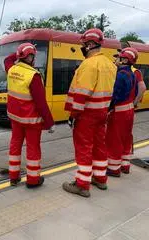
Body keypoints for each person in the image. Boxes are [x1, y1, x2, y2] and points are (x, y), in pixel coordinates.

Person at [62, 28, 117, 197]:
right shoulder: (110, 64)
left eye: (84, 44)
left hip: (86, 114)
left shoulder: (89, 64)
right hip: (102, 112)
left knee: (84, 147)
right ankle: (100, 178)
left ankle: (82, 185)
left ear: (91, 44)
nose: (83, 47)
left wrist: (73, 115)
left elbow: (82, 94)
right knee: (100, 145)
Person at [4, 43, 55, 189]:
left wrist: (20, 52)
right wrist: (50, 122)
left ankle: (13, 177)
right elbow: (41, 103)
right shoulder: (34, 76)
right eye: (33, 55)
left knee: (15, 145)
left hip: (15, 119)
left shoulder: (11, 70)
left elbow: (7, 59)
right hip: (31, 121)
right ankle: (33, 180)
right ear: (31, 57)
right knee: (33, 148)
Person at [107, 48, 139, 177]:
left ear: (125, 60)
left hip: (119, 112)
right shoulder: (133, 74)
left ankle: (114, 169)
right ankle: (125, 165)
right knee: (126, 138)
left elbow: (116, 95)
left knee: (114, 139)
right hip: (129, 111)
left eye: (118, 58)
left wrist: (108, 108)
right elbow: (136, 92)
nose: (115, 60)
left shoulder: (121, 75)